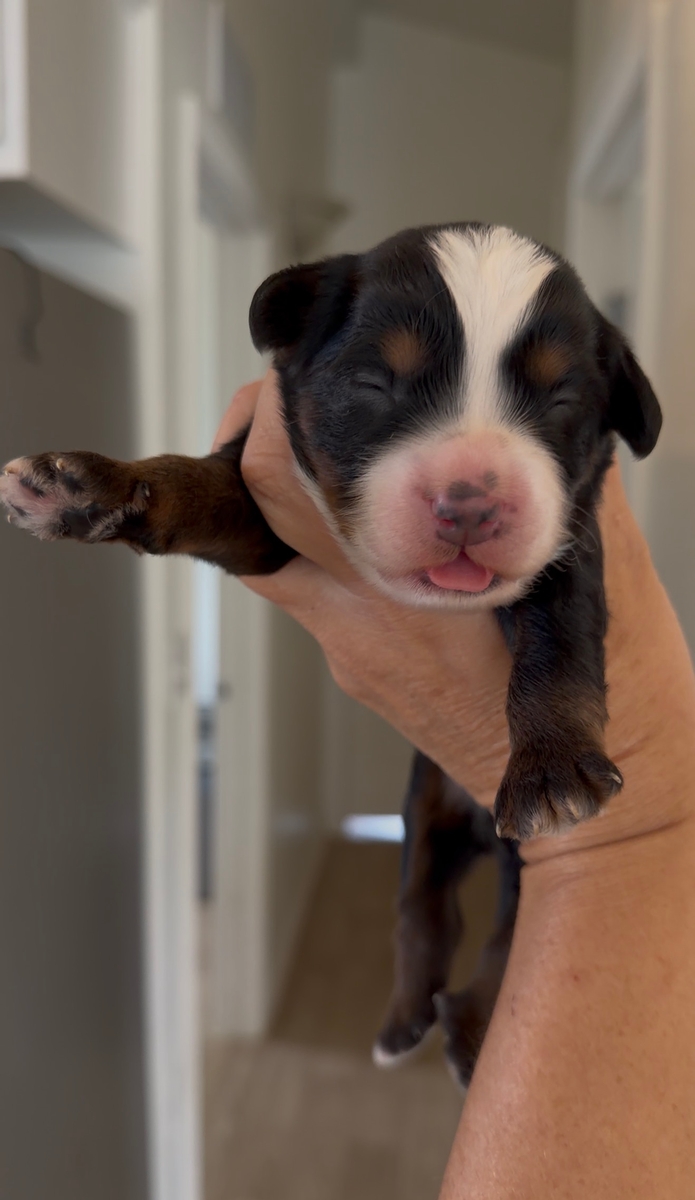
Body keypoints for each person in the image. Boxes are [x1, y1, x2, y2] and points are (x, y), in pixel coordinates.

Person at [215, 371, 695, 1199]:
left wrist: (629, 827)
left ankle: (455, 1010)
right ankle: (417, 1003)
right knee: (424, 893)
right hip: (501, 796)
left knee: (493, 908)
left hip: (579, 809)